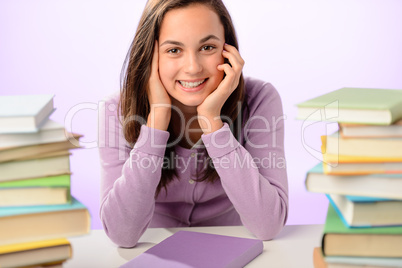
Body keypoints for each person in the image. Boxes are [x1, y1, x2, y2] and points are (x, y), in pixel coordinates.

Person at [98, 0, 288, 248]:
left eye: (207, 47)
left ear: (228, 50)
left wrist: (212, 121)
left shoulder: (260, 98)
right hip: (154, 249)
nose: (193, 67)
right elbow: (122, 235)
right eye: (174, 50)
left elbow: (268, 225)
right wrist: (157, 120)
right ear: (149, 56)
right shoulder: (117, 110)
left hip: (232, 244)